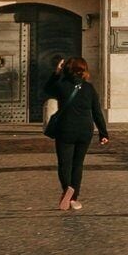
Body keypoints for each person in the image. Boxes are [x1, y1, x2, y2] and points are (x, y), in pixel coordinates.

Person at [42, 56, 108, 213]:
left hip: (65, 130)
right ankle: (74, 198)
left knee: (65, 164)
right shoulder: (89, 88)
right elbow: (97, 113)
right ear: (84, 71)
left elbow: (47, 89)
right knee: (78, 165)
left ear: (67, 70)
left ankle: (67, 190)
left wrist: (56, 73)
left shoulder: (62, 85)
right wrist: (103, 133)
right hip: (85, 130)